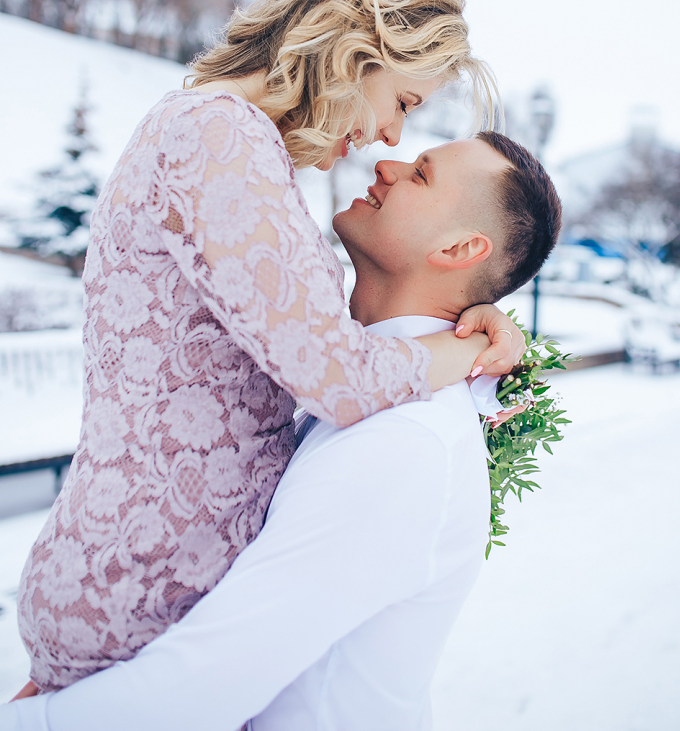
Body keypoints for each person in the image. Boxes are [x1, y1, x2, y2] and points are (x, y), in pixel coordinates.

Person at [11, 0, 525, 695]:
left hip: (156, 587)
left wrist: (475, 314)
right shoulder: (218, 136)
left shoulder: (243, 147)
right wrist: (464, 348)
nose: (390, 135)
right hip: (137, 597)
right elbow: (338, 377)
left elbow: (310, 339)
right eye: (405, 102)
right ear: (359, 46)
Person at [2, 132, 562, 731]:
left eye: (421, 174)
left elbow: (200, 687)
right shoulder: (356, 388)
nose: (387, 161)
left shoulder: (404, 442)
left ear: (459, 248)